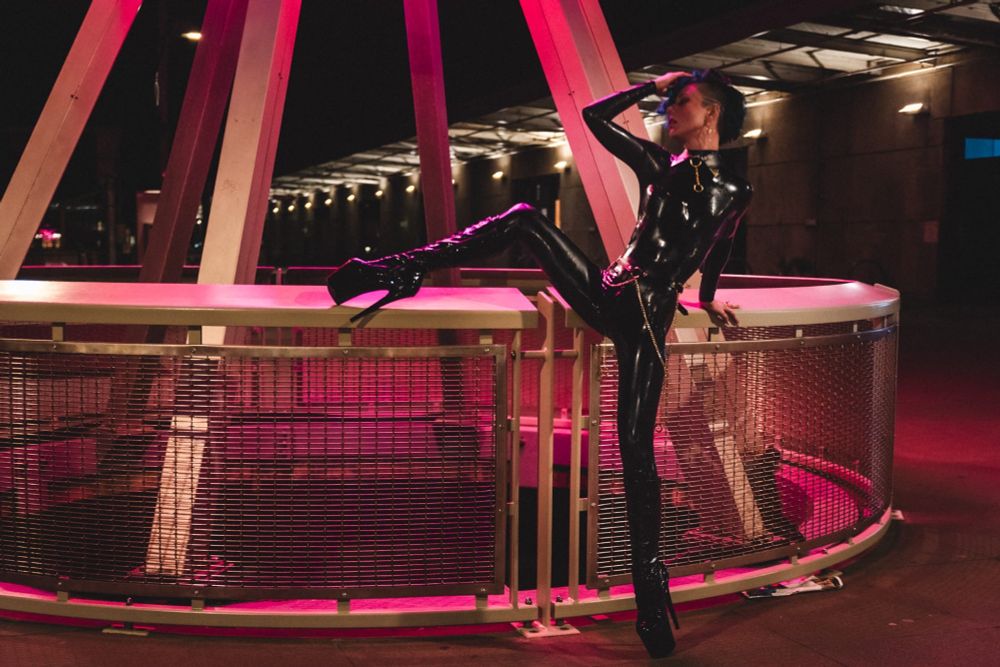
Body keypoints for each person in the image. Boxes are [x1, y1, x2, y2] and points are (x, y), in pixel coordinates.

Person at [327, 69, 751, 658]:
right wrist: (649, 87)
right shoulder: (662, 165)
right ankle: (400, 269)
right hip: (610, 290)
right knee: (526, 217)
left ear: (712, 114)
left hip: (647, 316)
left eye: (681, 102)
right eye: (670, 102)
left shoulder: (731, 190)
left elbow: (720, 246)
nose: (669, 109)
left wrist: (705, 302)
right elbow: (594, 118)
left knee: (635, 451)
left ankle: (650, 598)